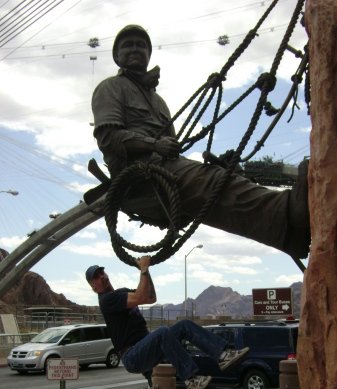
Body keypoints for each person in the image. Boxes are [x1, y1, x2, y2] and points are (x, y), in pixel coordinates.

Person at [91, 25, 310, 260]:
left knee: (220, 181)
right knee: (210, 181)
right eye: (128, 45)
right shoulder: (110, 88)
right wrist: (153, 145)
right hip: (136, 178)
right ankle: (286, 210)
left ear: (148, 54)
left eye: (141, 45)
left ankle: (288, 236)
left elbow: (171, 149)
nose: (135, 48)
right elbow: (109, 138)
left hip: (162, 170)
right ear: (116, 56)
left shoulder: (159, 101)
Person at [86, 259, 250, 389]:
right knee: (163, 331)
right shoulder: (107, 300)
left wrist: (147, 270)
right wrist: (143, 269)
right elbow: (141, 296)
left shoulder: (119, 293)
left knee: (184, 325)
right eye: (97, 277)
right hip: (132, 356)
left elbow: (150, 297)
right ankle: (190, 379)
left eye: (102, 272)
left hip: (146, 349)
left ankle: (223, 356)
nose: (102, 276)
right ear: (93, 285)